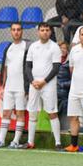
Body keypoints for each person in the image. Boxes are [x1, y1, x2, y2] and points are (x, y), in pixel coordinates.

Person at [24, 22, 63, 150]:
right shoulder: (33, 46)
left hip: (48, 85)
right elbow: (28, 66)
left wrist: (44, 81)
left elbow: (56, 68)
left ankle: (58, 143)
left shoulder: (54, 47)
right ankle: (30, 142)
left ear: (50, 32)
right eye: (42, 30)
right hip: (34, 85)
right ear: (38, 32)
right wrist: (32, 81)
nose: (45, 32)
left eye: (47, 30)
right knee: (32, 113)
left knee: (52, 112)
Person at [0, 22, 29, 149]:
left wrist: (27, 87)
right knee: (6, 113)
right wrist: (2, 86)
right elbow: (5, 68)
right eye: (13, 30)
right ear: (11, 32)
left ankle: (15, 141)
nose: (16, 32)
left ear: (22, 31)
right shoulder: (9, 47)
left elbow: (29, 67)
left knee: (20, 114)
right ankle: (1, 140)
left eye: (18, 29)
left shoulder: (26, 47)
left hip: (21, 87)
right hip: (8, 87)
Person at [57, 42, 72, 120]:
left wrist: (62, 85)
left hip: (64, 93)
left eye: (64, 48)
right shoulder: (53, 61)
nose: (62, 50)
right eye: (60, 48)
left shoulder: (70, 63)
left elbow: (74, 80)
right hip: (53, 91)